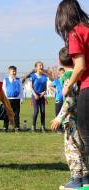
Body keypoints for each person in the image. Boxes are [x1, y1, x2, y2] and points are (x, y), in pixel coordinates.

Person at [51, 46, 89, 190]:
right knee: (83, 148)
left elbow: (70, 100)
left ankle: (76, 180)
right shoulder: (82, 74)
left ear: (60, 61)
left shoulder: (67, 77)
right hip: (83, 117)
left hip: (72, 119)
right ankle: (85, 178)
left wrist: (59, 118)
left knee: (72, 149)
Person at [56, 0, 89, 159]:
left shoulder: (75, 32)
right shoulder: (87, 28)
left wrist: (68, 86)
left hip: (88, 84)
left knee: (85, 130)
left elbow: (80, 66)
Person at [2, 66, 24, 132]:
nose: (14, 72)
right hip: (8, 99)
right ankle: (5, 127)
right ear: (9, 72)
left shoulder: (18, 80)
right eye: (13, 71)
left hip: (16, 99)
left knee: (16, 114)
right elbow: (4, 90)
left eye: (15, 71)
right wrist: (4, 100)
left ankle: (16, 127)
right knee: (7, 114)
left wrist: (21, 98)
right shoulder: (5, 80)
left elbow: (21, 90)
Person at [29, 61, 48, 132]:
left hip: (42, 96)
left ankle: (43, 127)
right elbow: (31, 87)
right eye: (40, 65)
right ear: (36, 67)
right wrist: (35, 95)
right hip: (35, 96)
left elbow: (45, 87)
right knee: (36, 111)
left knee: (43, 111)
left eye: (42, 65)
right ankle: (33, 126)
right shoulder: (33, 76)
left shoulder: (45, 77)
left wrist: (44, 93)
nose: (41, 67)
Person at [49, 67, 65, 133]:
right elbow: (50, 85)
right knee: (58, 114)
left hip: (65, 101)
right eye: (61, 74)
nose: (62, 75)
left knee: (65, 114)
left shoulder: (66, 80)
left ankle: (65, 127)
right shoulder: (57, 81)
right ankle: (59, 129)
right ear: (59, 74)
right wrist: (55, 90)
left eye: (63, 73)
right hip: (58, 100)